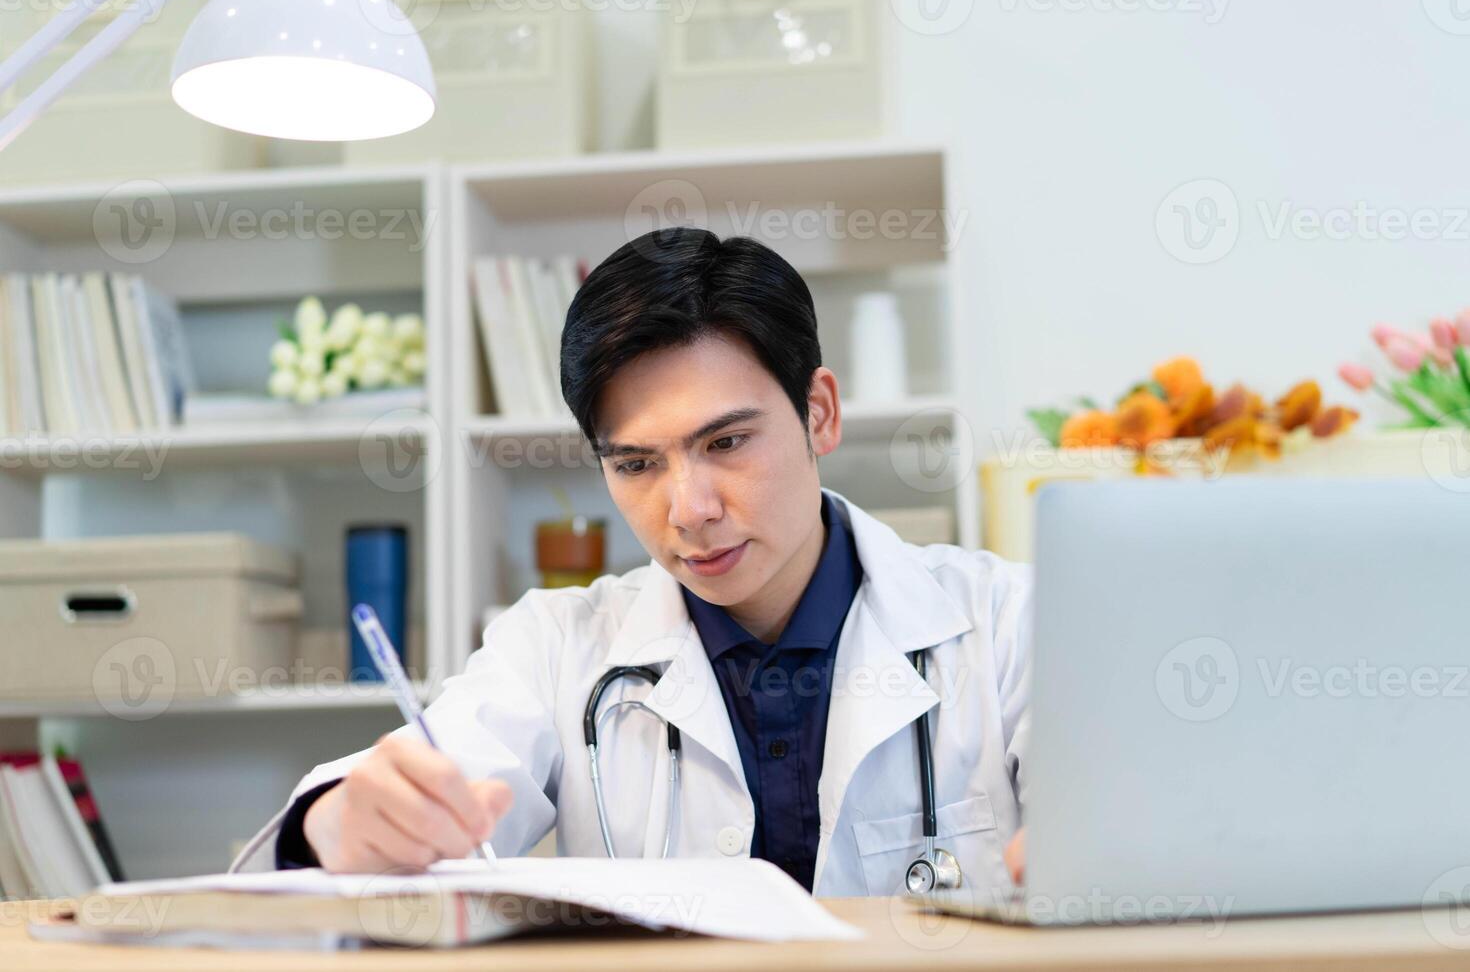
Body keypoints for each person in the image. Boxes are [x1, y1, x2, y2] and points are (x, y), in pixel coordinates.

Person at [230, 228, 1032, 896]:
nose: (689, 509)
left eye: (726, 443)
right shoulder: (554, 646)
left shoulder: (1004, 626)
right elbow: (432, 778)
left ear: (818, 412)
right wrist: (333, 826)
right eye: (637, 464)